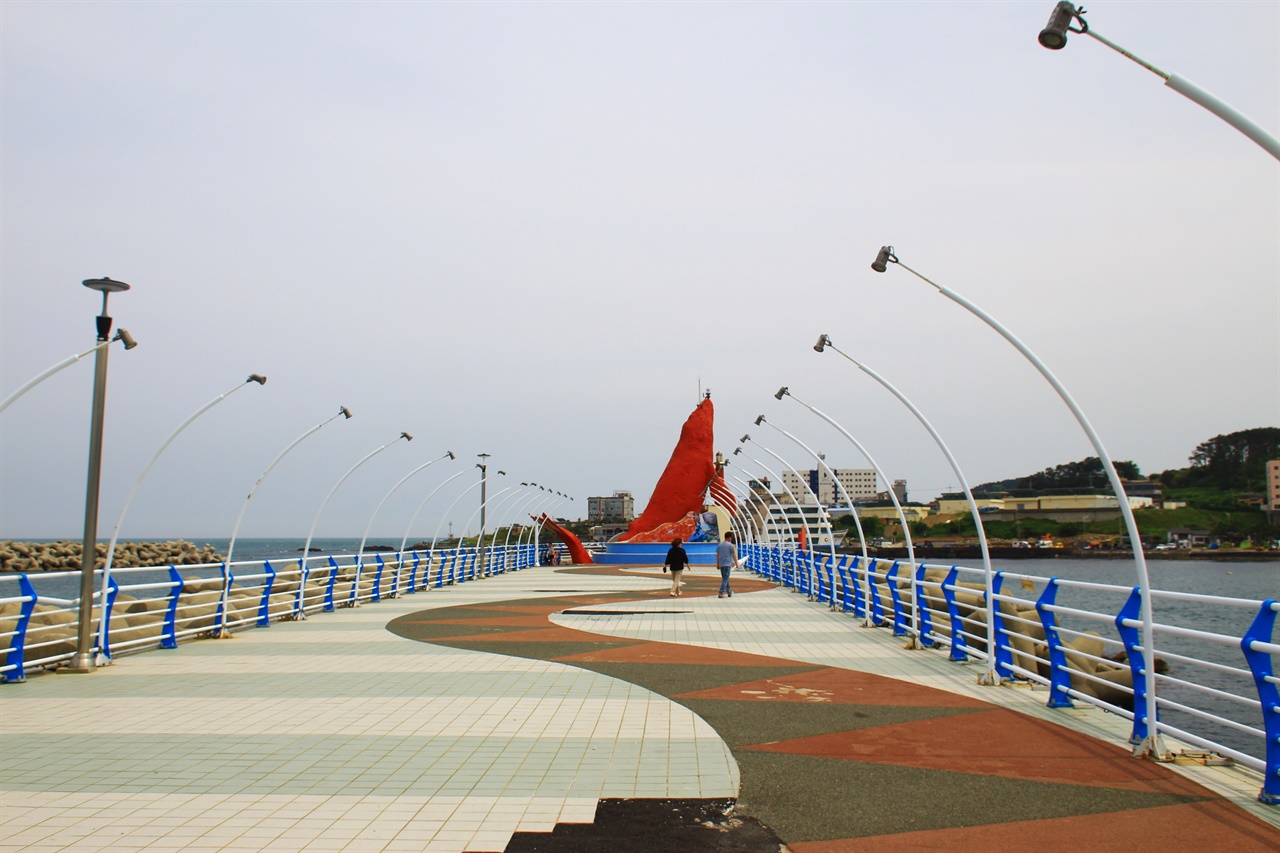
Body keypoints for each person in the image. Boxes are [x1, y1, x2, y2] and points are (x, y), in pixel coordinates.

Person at [716, 531, 736, 599]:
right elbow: (733, 554)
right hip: (727, 564)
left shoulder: (720, 545)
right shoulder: (730, 545)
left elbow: (718, 555)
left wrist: (718, 564)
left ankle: (729, 592)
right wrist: (736, 563)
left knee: (725, 579)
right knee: (725, 579)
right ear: (729, 537)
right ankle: (721, 592)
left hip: (721, 564)